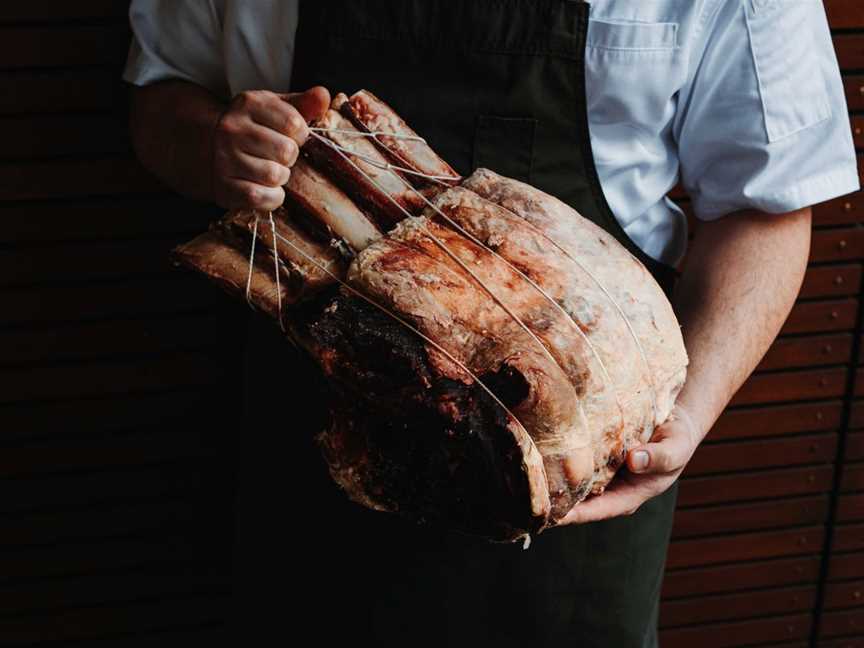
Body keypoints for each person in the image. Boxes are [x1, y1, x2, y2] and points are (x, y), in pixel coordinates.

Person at [124, 1, 858, 646]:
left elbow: (768, 205)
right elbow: (162, 98)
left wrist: (688, 419)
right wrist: (218, 143)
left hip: (583, 495)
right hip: (314, 461)